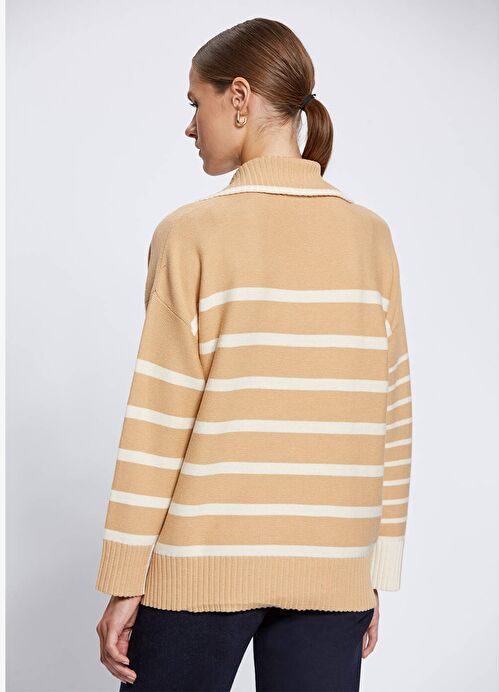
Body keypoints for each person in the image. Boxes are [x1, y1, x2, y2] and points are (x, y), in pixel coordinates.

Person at [95, 17, 413, 692]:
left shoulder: (191, 234)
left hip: (200, 568)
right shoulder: (371, 236)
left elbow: (157, 419)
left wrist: (125, 580)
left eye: (195, 103)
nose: (189, 126)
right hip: (332, 572)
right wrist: (368, 571)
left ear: (238, 97)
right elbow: (390, 413)